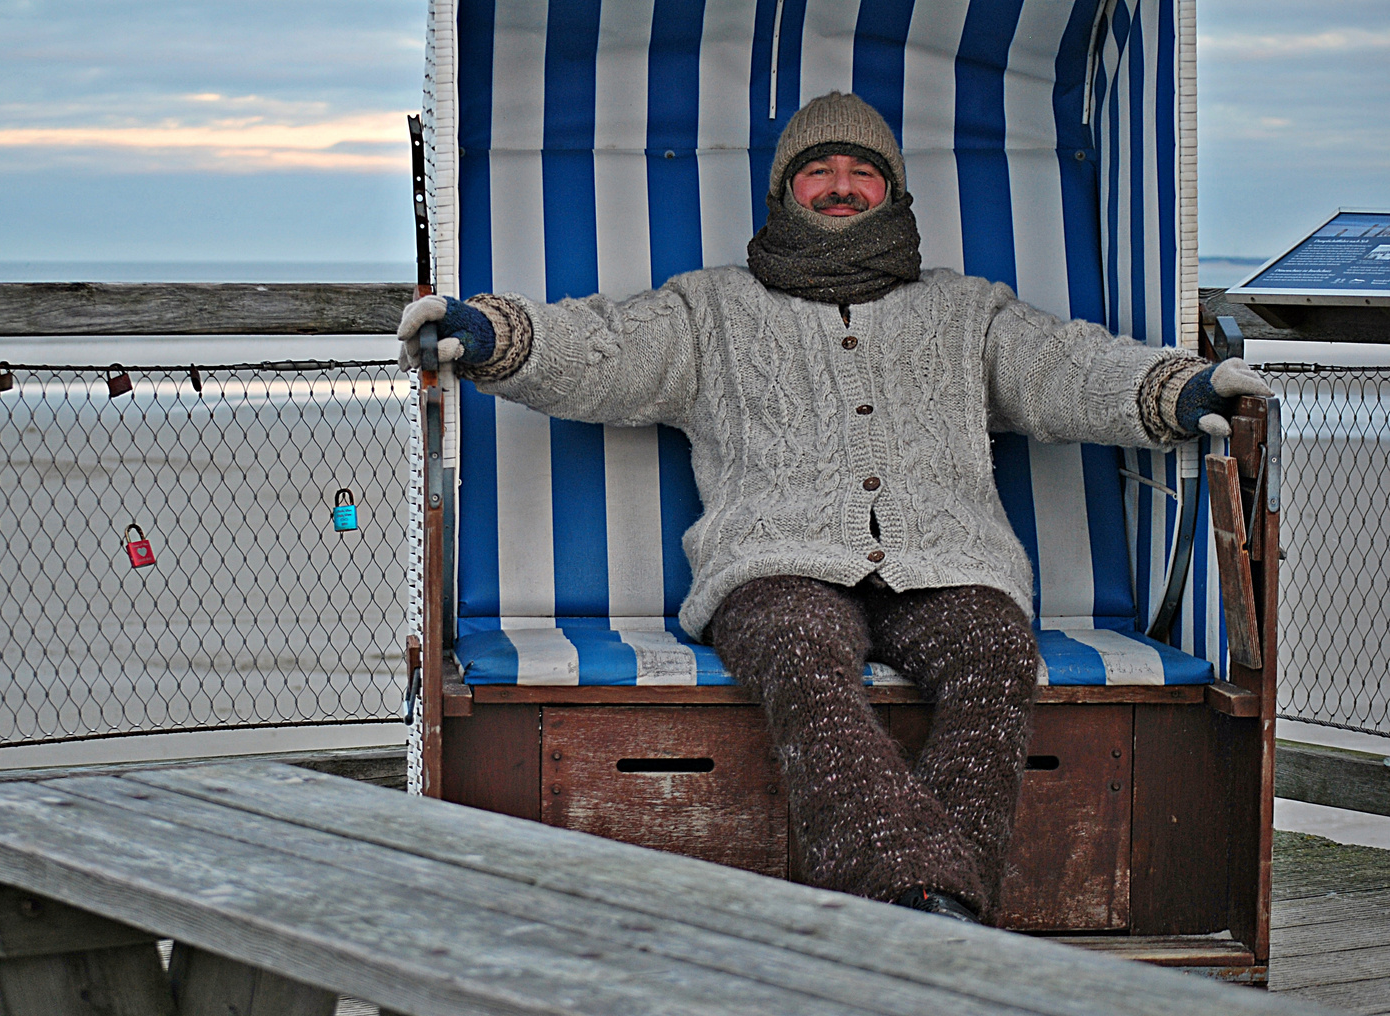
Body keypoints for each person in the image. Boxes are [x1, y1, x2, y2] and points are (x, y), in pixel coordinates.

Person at [397, 90, 1266, 924]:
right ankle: (928, 907)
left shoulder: (967, 310)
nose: (841, 184)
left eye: (863, 169)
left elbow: (1070, 370)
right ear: (784, 190)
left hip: (948, 559)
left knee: (998, 651)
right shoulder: (710, 308)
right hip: (773, 563)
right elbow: (598, 350)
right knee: (795, 645)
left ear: (892, 191)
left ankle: (921, 906)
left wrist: (1176, 387)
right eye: (819, 170)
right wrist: (490, 334)